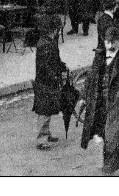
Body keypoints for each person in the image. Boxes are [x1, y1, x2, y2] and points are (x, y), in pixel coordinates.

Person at [80, 26, 119, 174]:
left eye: (114, 42)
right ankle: (112, 163)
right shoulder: (99, 56)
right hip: (99, 101)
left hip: (116, 102)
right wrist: (84, 96)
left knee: (111, 132)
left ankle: (109, 165)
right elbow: (91, 78)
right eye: (107, 42)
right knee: (103, 132)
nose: (110, 46)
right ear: (103, 41)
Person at [32, 14, 67, 150]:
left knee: (48, 108)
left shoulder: (49, 41)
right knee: (44, 110)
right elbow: (46, 65)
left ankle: (46, 133)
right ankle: (41, 139)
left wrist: (62, 66)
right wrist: (55, 76)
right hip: (45, 81)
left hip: (47, 80)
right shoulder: (46, 44)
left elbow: (55, 60)